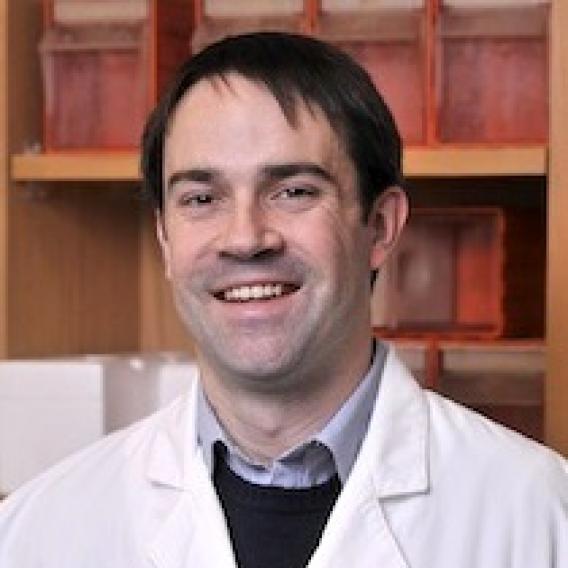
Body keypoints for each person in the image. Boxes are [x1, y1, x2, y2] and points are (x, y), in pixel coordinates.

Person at [0, 31, 566, 568]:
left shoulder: (541, 519)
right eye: (202, 198)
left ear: (380, 225)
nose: (246, 238)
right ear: (165, 239)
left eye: (293, 191)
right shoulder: (39, 532)